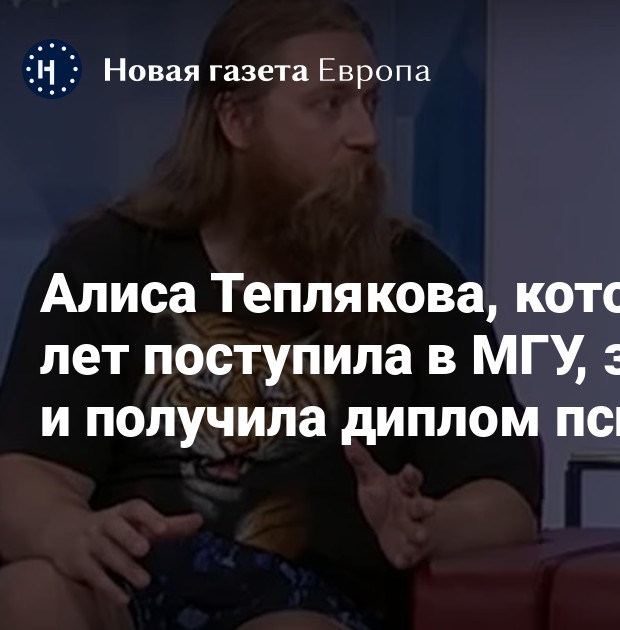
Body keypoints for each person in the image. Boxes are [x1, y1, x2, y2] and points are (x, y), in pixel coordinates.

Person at [0, 1, 540, 629]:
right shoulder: (106, 260)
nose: (365, 133)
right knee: (32, 592)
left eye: (368, 103)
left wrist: (430, 524)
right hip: (137, 578)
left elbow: (506, 498)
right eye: (329, 104)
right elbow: (27, 471)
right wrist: (69, 529)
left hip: (310, 597)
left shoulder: (416, 278)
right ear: (237, 119)